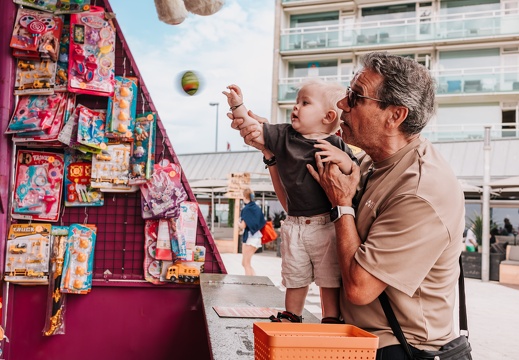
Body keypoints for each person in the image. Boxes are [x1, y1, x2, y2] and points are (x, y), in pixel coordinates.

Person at [234, 52, 465, 358]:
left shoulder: (422, 190)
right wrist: (273, 154)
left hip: (401, 349)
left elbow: (360, 289)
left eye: (355, 97)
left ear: (395, 115)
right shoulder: (367, 162)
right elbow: (296, 206)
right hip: (355, 338)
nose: (342, 105)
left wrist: (342, 203)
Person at [224, 80, 358, 324]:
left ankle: (330, 318)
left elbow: (354, 174)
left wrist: (344, 160)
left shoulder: (336, 145)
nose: (296, 107)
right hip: (294, 223)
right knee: (295, 276)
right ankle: (291, 315)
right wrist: (239, 105)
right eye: (297, 101)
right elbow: (253, 127)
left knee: (329, 278)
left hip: (327, 224)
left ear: (328, 116)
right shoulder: (283, 135)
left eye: (305, 103)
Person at [238, 187, 265, 276]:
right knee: (245, 263)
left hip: (251, 238)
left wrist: (238, 223)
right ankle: (254, 280)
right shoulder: (256, 207)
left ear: (244, 196)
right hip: (255, 236)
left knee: (246, 264)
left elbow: (243, 225)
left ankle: (249, 283)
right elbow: (261, 221)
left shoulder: (246, 209)